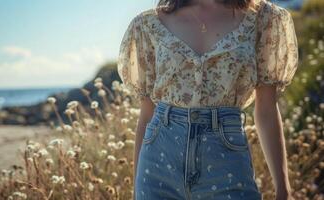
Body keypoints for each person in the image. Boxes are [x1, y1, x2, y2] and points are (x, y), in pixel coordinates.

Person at [117, 0, 298, 199]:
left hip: (226, 160)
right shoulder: (148, 24)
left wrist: (283, 187)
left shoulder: (264, 18)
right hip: (158, 162)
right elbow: (147, 114)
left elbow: (266, 108)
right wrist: (136, 190)